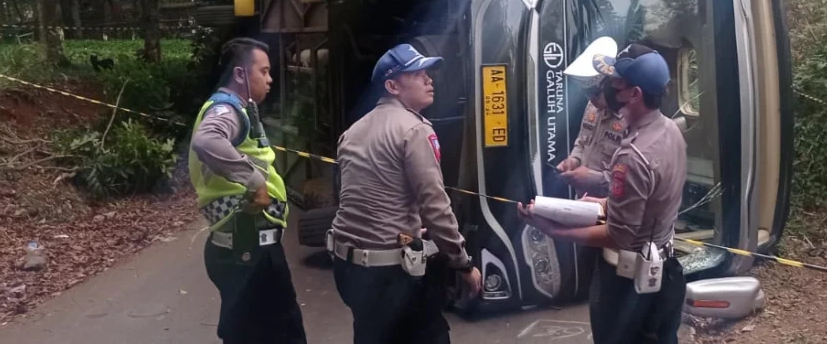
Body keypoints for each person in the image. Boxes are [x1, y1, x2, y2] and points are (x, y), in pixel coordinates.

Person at [519, 44, 687, 344]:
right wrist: (604, 202)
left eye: (616, 83)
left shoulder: (632, 155)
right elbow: (651, 198)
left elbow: (620, 235)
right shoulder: (670, 131)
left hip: (628, 286)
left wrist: (554, 229)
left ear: (634, 94)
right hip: (666, 273)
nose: (608, 89)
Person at [329, 43, 482, 344]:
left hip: (347, 267)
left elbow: (360, 197)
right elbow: (436, 207)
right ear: (392, 85)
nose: (429, 80)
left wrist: (406, 224)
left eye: (427, 73)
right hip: (390, 274)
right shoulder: (414, 130)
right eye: (418, 74)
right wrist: (463, 263)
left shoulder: (352, 132)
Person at [188, 37, 306, 344]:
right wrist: (255, 183)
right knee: (279, 333)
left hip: (245, 247)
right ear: (240, 73)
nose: (269, 79)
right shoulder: (227, 110)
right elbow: (207, 140)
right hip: (249, 248)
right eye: (264, 71)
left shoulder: (235, 108)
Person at [556, 36, 624, 196]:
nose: (591, 100)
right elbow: (582, 142)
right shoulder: (592, 108)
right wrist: (573, 161)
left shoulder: (632, 119)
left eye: (595, 94)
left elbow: (633, 182)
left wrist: (594, 179)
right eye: (586, 94)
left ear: (611, 86)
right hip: (583, 198)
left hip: (611, 206)